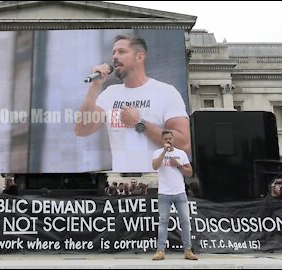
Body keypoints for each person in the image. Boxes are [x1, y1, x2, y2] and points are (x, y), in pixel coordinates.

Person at [75, 34, 190, 172]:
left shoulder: (166, 92)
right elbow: (82, 130)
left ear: (139, 57)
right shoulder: (110, 94)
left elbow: (184, 143)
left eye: (122, 51)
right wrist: (95, 86)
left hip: (160, 185)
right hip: (121, 185)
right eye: (113, 53)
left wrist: (139, 124)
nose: (115, 57)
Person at [151, 130, 197, 261]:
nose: (168, 140)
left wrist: (179, 166)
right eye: (165, 138)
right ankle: (160, 251)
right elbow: (154, 166)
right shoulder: (157, 153)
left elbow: (189, 172)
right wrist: (164, 152)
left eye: (170, 138)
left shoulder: (181, 154)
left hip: (180, 193)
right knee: (163, 221)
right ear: (162, 140)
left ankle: (188, 250)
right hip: (164, 193)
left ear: (173, 139)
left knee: (185, 221)